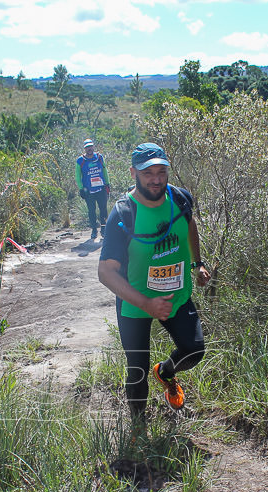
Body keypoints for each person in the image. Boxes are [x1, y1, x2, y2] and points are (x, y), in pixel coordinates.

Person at [98, 143, 212, 425]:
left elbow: (190, 225)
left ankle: (166, 372)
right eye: (148, 172)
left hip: (176, 296)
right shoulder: (124, 214)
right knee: (137, 370)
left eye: (161, 171)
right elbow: (105, 272)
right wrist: (146, 303)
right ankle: (139, 429)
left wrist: (198, 264)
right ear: (134, 173)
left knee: (195, 349)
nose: (156, 179)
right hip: (135, 305)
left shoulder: (180, 199)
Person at [75, 139, 110, 240]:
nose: (89, 149)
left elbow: (104, 170)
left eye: (91, 146)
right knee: (91, 211)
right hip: (88, 191)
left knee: (103, 209)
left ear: (93, 147)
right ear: (84, 148)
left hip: (101, 189)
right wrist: (81, 189)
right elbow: (77, 176)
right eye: (87, 147)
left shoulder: (99, 157)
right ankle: (94, 230)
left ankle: (103, 229)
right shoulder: (80, 160)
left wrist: (107, 183)